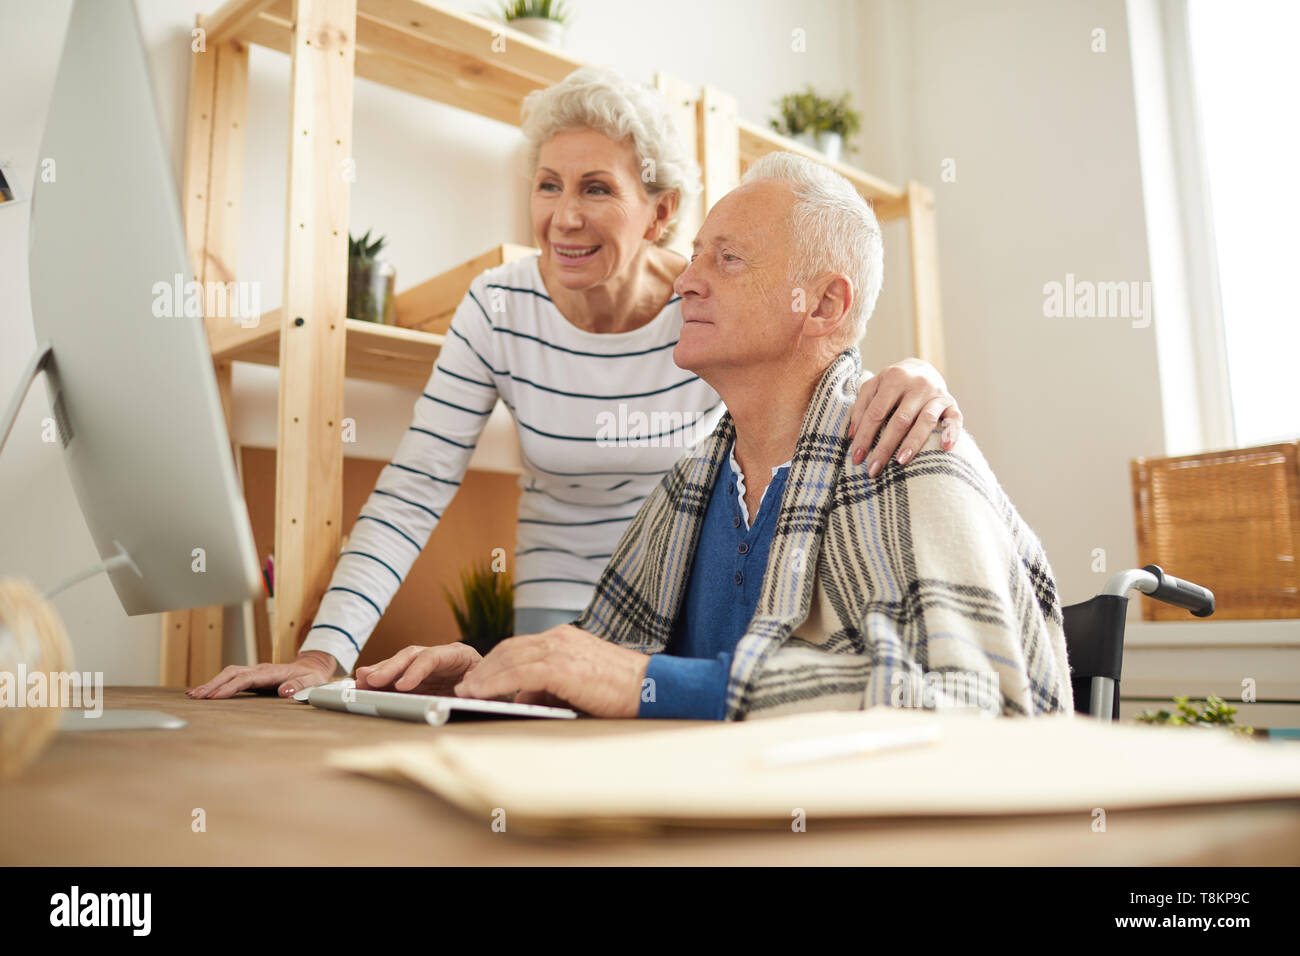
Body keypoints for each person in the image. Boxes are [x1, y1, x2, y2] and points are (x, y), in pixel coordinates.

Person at [188, 67, 964, 702]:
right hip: (572, 598)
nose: (564, 217)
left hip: (691, 598)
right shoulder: (500, 306)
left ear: (658, 212)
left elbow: (815, 363)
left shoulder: (705, 314)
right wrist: (325, 655)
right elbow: (413, 487)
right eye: (547, 185)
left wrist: (915, 372)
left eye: (596, 188)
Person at [356, 150, 1074, 721]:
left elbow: (975, 707)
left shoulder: (912, 452)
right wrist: (488, 673)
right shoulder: (690, 485)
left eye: (726, 259)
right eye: (694, 256)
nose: (685, 283)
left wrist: (649, 682)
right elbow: (593, 664)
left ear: (824, 303)